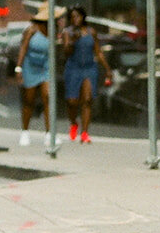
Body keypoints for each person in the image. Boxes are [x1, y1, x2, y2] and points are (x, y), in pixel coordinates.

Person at [59, 7, 109, 143]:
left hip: (89, 67)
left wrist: (107, 69)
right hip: (73, 68)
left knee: (87, 99)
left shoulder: (91, 32)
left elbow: (98, 51)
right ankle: (73, 122)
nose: (75, 19)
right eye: (73, 17)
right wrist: (73, 41)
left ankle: (85, 132)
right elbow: (66, 52)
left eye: (78, 16)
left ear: (83, 17)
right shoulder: (67, 32)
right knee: (72, 101)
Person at [15, 8, 53, 146]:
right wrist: (19, 67)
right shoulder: (31, 30)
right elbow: (23, 48)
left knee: (47, 97)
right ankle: (25, 131)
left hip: (45, 67)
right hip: (30, 67)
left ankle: (49, 133)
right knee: (29, 100)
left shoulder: (52, 31)